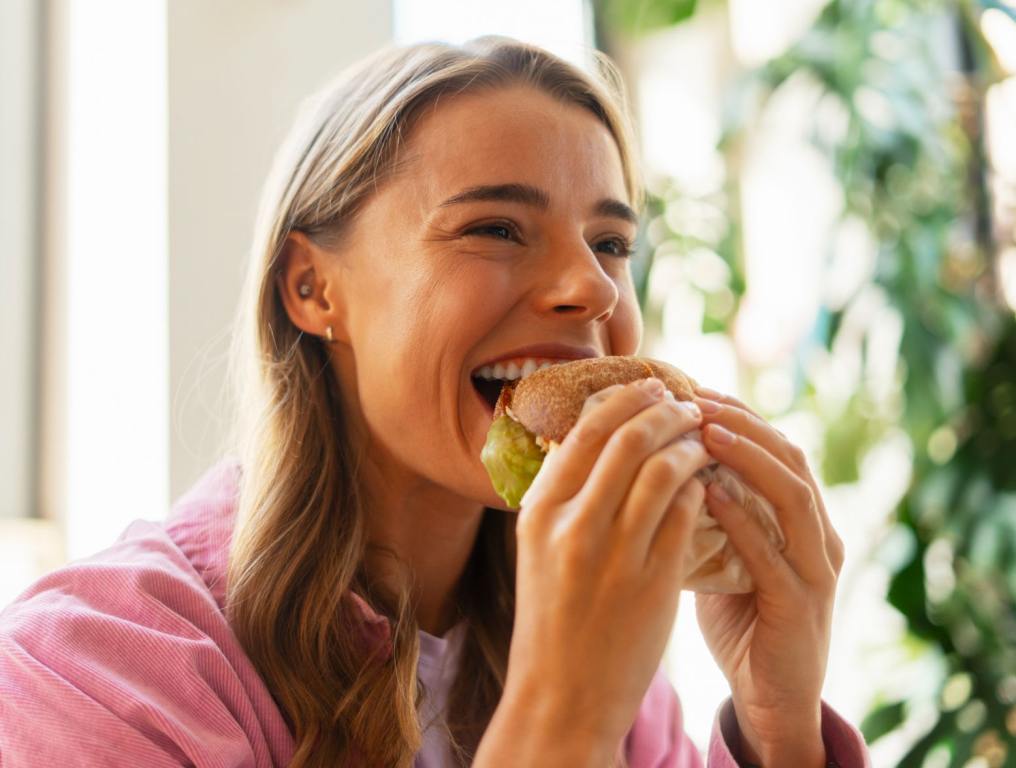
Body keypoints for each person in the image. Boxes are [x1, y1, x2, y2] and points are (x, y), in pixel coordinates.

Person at [0, 36, 871, 768]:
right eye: (495, 227)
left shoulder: (616, 666)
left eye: (611, 242)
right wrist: (562, 717)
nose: (593, 290)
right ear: (313, 289)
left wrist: (773, 723)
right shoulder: (87, 674)